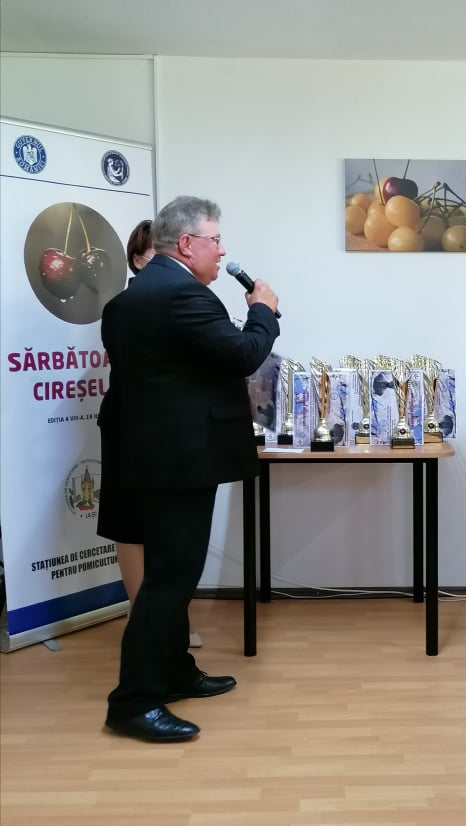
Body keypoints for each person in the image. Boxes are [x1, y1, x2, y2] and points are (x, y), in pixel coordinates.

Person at [100, 196, 280, 741]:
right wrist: (264, 310)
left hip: (151, 456)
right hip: (179, 460)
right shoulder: (183, 295)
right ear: (186, 244)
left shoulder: (132, 297)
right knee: (169, 580)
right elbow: (242, 354)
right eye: (215, 239)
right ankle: (133, 702)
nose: (222, 251)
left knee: (169, 575)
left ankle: (175, 670)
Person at [100, 219, 202, 648]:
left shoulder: (186, 302)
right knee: (131, 525)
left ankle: (168, 622)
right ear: (138, 260)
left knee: (171, 530)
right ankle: (141, 619)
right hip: (128, 429)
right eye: (153, 254)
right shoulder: (123, 308)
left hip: (168, 432)